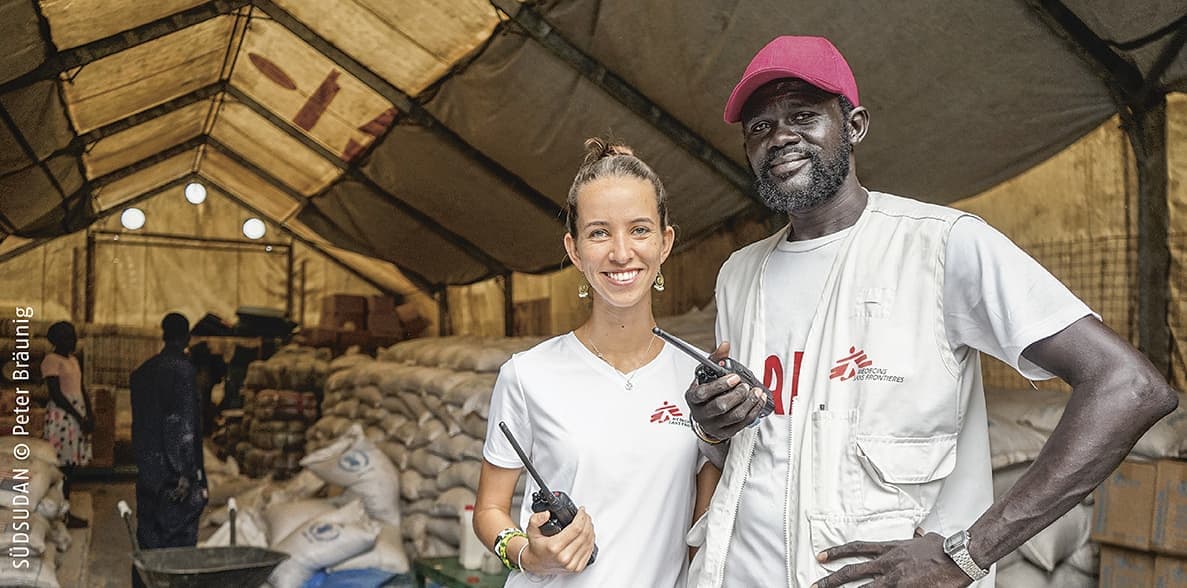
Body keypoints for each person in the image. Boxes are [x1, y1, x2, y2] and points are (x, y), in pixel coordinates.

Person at [684, 36, 1178, 587]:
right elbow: (768, 446)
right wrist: (714, 424)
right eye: (759, 127)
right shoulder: (738, 273)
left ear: (854, 126)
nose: (779, 137)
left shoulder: (942, 246)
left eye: (802, 114)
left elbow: (1129, 386)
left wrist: (967, 553)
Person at [475, 138, 719, 587]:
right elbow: (490, 510)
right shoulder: (528, 374)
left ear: (666, 242)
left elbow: (702, 529)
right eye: (599, 232)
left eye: (640, 229)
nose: (621, 253)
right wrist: (528, 555)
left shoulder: (701, 379)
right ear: (574, 249)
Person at [129, 313, 207, 588]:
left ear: (163, 334)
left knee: (148, 542)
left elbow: (139, 425)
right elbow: (182, 426)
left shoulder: (142, 372)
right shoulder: (182, 370)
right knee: (179, 547)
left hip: (148, 470)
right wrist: (187, 473)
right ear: (186, 337)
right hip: (175, 475)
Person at [40, 321, 92, 528]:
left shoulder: (73, 360)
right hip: (62, 417)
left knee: (70, 466)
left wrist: (89, 413)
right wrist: (78, 417)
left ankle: (65, 512)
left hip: (75, 414)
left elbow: (82, 389)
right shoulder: (51, 361)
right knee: (62, 468)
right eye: (67, 337)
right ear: (56, 340)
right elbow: (56, 394)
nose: (72, 341)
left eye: (73, 336)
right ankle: (61, 513)